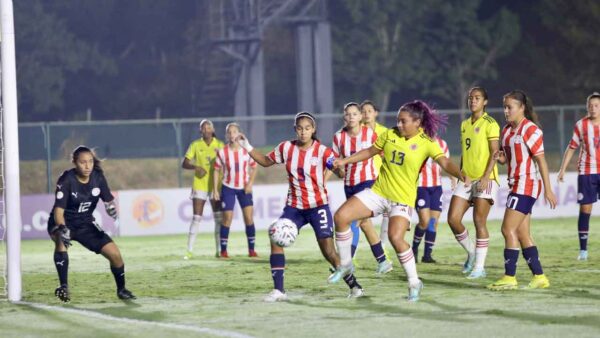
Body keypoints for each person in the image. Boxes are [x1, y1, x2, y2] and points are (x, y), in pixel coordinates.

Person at [330, 101, 464, 302]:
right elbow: (369, 152)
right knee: (340, 217)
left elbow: (444, 162)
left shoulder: (426, 142)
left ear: (417, 122)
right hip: (378, 192)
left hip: (401, 199)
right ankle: (346, 264)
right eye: (398, 121)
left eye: (404, 121)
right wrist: (345, 161)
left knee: (396, 238)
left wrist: (461, 174)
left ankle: (414, 282)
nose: (399, 125)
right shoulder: (389, 134)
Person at [236, 112, 363, 302]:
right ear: (295, 129)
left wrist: (339, 168)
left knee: (328, 251)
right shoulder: (286, 148)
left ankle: (355, 287)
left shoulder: (322, 151)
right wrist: (246, 146)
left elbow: (339, 171)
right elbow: (264, 161)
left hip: (318, 206)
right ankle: (279, 290)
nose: (303, 132)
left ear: (313, 130)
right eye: (300, 128)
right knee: (275, 237)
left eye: (307, 128)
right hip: (294, 207)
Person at [487, 90, 556, 290]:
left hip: (526, 185)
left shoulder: (531, 130)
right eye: (504, 107)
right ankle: (539, 276)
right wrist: (501, 159)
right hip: (516, 184)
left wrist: (548, 190)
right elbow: (509, 159)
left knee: (507, 229)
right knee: (522, 232)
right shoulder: (507, 130)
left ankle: (509, 277)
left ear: (522, 108)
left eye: (510, 107)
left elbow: (541, 161)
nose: (506, 111)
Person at [48, 146, 135, 302]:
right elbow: (58, 212)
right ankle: (64, 287)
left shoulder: (98, 177)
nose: (87, 166)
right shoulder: (66, 179)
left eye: (90, 162)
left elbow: (109, 201)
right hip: (63, 222)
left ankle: (121, 290)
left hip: (86, 223)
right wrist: (63, 228)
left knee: (115, 255)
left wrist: (111, 209)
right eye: (83, 162)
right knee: (61, 241)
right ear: (75, 162)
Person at [332, 102, 393, 274]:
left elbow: (382, 154)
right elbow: (335, 162)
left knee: (352, 220)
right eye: (347, 114)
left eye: (354, 114)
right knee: (365, 223)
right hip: (349, 184)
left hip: (367, 182)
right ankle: (382, 261)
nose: (351, 117)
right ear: (344, 117)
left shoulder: (370, 134)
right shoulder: (338, 137)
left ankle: (345, 262)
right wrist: (339, 171)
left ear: (360, 117)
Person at [447, 86, 500, 279]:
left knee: (479, 221)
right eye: (470, 98)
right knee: (453, 219)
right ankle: (471, 252)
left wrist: (486, 176)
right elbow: (465, 153)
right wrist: (461, 173)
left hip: (486, 178)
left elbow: (495, 152)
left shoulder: (490, 123)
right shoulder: (464, 124)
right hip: (467, 178)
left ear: (485, 102)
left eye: (477, 98)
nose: (473, 101)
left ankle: (479, 266)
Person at [557, 92, 600, 261]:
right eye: (590, 106)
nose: (593, 108)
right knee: (585, 209)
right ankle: (583, 251)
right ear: (586, 107)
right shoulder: (581, 125)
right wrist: (562, 169)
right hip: (587, 171)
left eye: (596, 106)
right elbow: (572, 147)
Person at [213, 123, 258, 258]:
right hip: (228, 188)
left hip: (244, 188)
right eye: (229, 132)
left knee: (249, 218)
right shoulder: (222, 152)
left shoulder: (246, 151)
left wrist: (250, 183)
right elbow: (216, 170)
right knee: (227, 218)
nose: (232, 134)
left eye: (234, 132)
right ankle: (224, 251)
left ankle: (251, 250)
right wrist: (215, 189)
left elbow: (254, 166)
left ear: (239, 134)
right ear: (226, 135)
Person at [182, 119, 225, 259]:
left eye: (208, 127)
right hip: (200, 185)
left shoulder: (220, 145)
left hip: (216, 186)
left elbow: (227, 162)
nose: (206, 130)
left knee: (218, 219)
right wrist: (196, 167)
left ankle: (219, 250)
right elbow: (185, 163)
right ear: (200, 131)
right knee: (196, 218)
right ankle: (189, 251)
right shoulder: (195, 145)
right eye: (203, 128)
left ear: (212, 130)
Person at [412, 136, 455, 263]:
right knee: (424, 221)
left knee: (433, 222)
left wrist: (452, 177)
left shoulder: (442, 143)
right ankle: (414, 249)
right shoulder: (416, 142)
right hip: (420, 187)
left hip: (436, 187)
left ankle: (427, 255)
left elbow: (446, 162)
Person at [361, 100, 392, 255]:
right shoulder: (358, 132)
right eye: (364, 111)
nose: (366, 114)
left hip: (382, 176)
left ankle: (383, 248)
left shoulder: (384, 131)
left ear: (376, 113)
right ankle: (351, 255)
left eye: (369, 110)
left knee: (388, 211)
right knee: (361, 217)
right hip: (364, 176)